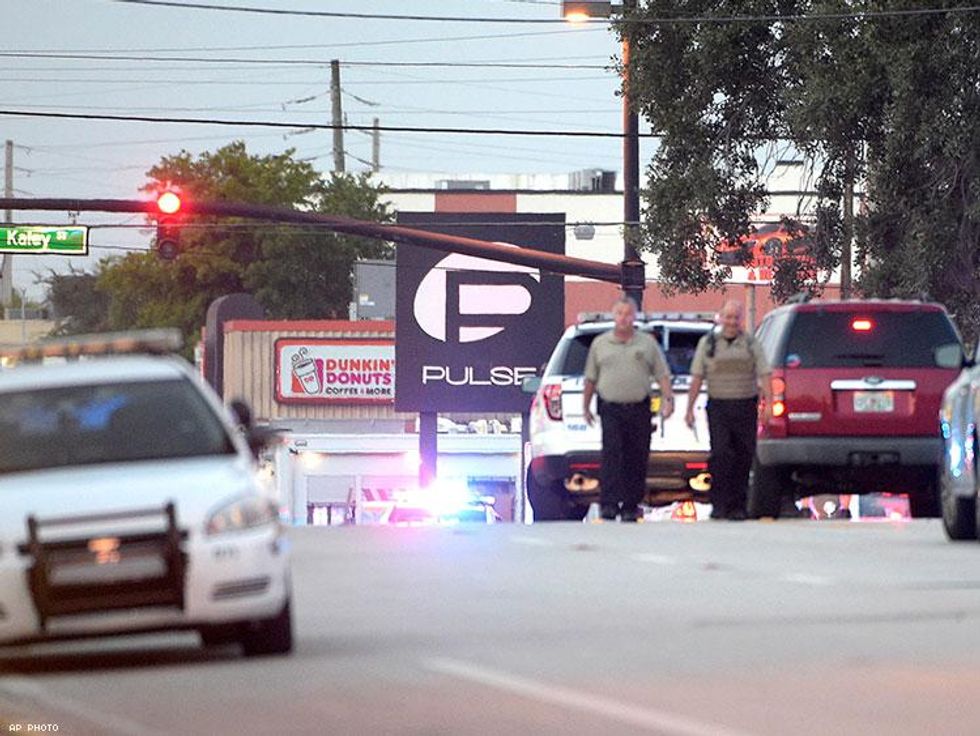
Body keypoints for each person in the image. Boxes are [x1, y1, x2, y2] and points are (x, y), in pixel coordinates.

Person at [583, 297, 674, 522]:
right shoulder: (600, 344)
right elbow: (590, 378)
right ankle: (609, 504)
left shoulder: (646, 344)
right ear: (614, 316)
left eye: (628, 314)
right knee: (612, 455)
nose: (624, 318)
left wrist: (668, 399)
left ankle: (631, 505)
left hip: (639, 408)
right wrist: (585, 405)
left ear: (635, 317)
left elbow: (661, 374)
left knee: (637, 456)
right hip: (610, 408)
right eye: (620, 313)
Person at [684, 300, 772, 520]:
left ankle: (737, 506)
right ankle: (719, 504)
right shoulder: (709, 343)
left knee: (743, 456)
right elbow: (697, 376)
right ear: (720, 318)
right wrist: (689, 408)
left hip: (745, 405)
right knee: (721, 455)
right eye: (728, 317)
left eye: (736, 317)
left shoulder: (751, 344)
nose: (732, 322)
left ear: (741, 319)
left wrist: (769, 404)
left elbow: (765, 374)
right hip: (719, 406)